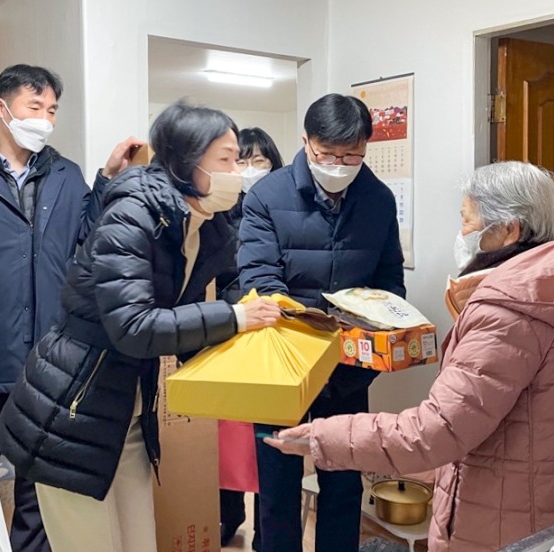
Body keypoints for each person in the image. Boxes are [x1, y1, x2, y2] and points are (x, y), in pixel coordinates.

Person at [269, 161, 554, 551]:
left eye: (466, 220)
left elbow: (436, 430)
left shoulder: (509, 312)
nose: (461, 234)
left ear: (508, 229)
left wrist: (321, 437)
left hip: (500, 520)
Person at [0, 100, 282, 552]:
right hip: (71, 413)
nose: (238, 172)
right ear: (188, 164)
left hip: (128, 414)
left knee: (139, 542)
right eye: (226, 160)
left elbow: (206, 298)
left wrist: (254, 313)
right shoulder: (132, 215)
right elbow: (134, 326)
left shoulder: (205, 222)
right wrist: (236, 318)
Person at [0, 64, 143, 551]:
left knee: (42, 488)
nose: (45, 118)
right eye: (35, 107)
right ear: (2, 108)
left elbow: (86, 243)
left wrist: (106, 180)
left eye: (52, 109)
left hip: (49, 361)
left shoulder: (65, 174)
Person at [238, 93, 405, 552]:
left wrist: (382, 314)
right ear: (306, 142)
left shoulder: (377, 198)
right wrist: (308, 323)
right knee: (277, 485)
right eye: (328, 154)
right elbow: (258, 280)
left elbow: (389, 276)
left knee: (344, 482)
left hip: (348, 366)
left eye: (352, 155)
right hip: (281, 364)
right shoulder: (267, 196)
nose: (340, 164)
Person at [217, 127, 284, 550]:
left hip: (273, 339)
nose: (251, 169)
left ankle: (267, 530)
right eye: (242, 160)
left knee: (268, 442)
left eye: (261, 161)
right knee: (228, 437)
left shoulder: (282, 209)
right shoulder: (218, 213)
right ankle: (227, 516)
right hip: (227, 333)